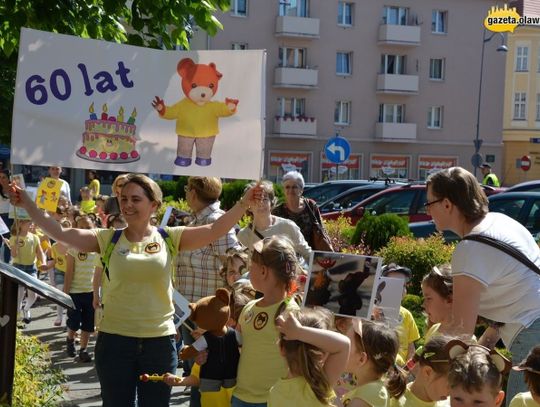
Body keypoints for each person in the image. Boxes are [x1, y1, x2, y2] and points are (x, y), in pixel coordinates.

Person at [8, 173, 261, 407]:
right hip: (115, 343)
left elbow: (214, 230)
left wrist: (244, 203)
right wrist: (28, 204)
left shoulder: (169, 237)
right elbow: (60, 231)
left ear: (154, 205)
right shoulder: (107, 238)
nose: (127, 204)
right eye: (123, 198)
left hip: (159, 345)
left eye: (136, 199)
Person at [426, 167, 540, 403]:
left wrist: (423, 366)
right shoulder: (501, 221)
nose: (427, 210)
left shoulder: (471, 249)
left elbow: (461, 331)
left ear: (447, 204)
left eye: (430, 203)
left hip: (532, 337)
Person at [176, 176, 241, 407]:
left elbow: (235, 266)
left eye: (187, 189)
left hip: (208, 318)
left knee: (206, 379)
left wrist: (217, 319)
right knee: (196, 372)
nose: (186, 194)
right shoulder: (195, 219)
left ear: (193, 192)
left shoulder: (217, 221)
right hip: (190, 314)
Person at [232, 236, 301, 407]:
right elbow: (235, 344)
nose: (248, 271)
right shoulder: (249, 308)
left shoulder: (291, 314)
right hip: (241, 396)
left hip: (274, 401)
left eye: (250, 266)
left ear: (263, 271)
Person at [268, 308, 350, 407]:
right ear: (322, 355)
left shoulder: (275, 392)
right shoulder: (318, 387)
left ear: (281, 348)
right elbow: (344, 344)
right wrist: (299, 332)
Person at [238, 180, 312, 264]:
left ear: (271, 202)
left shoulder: (288, 226)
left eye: (264, 199)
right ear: (249, 207)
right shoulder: (244, 235)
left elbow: (308, 254)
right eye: (256, 200)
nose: (260, 203)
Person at [340, 318, 407, 407]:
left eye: (347, 345)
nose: (341, 348)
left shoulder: (372, 391)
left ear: (361, 359)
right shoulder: (369, 389)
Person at [64, 214, 101, 363]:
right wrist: (65, 293)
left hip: (90, 292)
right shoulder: (73, 248)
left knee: (88, 322)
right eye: (82, 228)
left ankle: (83, 350)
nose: (85, 230)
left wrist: (99, 292)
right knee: (74, 320)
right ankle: (70, 338)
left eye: (88, 227)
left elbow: (100, 271)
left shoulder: (97, 247)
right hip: (74, 292)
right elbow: (69, 272)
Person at [272, 170, 329, 249]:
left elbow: (321, 229)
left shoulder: (311, 206)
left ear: (301, 190)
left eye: (294, 187)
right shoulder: (277, 211)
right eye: (287, 187)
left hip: (310, 255)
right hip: (287, 256)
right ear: (284, 190)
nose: (290, 190)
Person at [391, 335, 452, 407]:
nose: (451, 392)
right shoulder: (396, 403)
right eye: (449, 385)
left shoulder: (449, 403)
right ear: (428, 372)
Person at [380, 263, 420, 365]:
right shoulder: (372, 313)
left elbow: (411, 348)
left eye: (403, 285)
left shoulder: (406, 315)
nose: (400, 289)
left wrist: (407, 372)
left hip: (399, 372)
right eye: (394, 284)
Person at [10, 219, 46, 324]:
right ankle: (17, 318)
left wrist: (43, 262)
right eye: (29, 223)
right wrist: (15, 245)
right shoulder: (14, 238)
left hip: (31, 268)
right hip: (18, 267)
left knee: (33, 294)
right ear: (20, 224)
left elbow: (39, 252)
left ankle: (26, 309)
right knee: (19, 295)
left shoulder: (34, 237)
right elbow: (13, 255)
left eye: (32, 223)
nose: (31, 225)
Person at [40, 218, 71, 327]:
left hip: (71, 274)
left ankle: (69, 317)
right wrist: (46, 266)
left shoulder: (72, 245)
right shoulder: (54, 246)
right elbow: (53, 260)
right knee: (59, 293)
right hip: (60, 272)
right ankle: (59, 316)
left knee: (69, 297)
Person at [421, 265, 453, 342]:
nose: (423, 304)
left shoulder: (464, 341)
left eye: (428, 298)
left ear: (449, 299)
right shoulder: (433, 330)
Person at [0, 169, 13, 263]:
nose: (1, 179)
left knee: (8, 242)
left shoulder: (14, 190)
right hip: (0, 217)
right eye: (0, 177)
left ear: (9, 178)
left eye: (4, 177)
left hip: (10, 218)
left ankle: (7, 263)